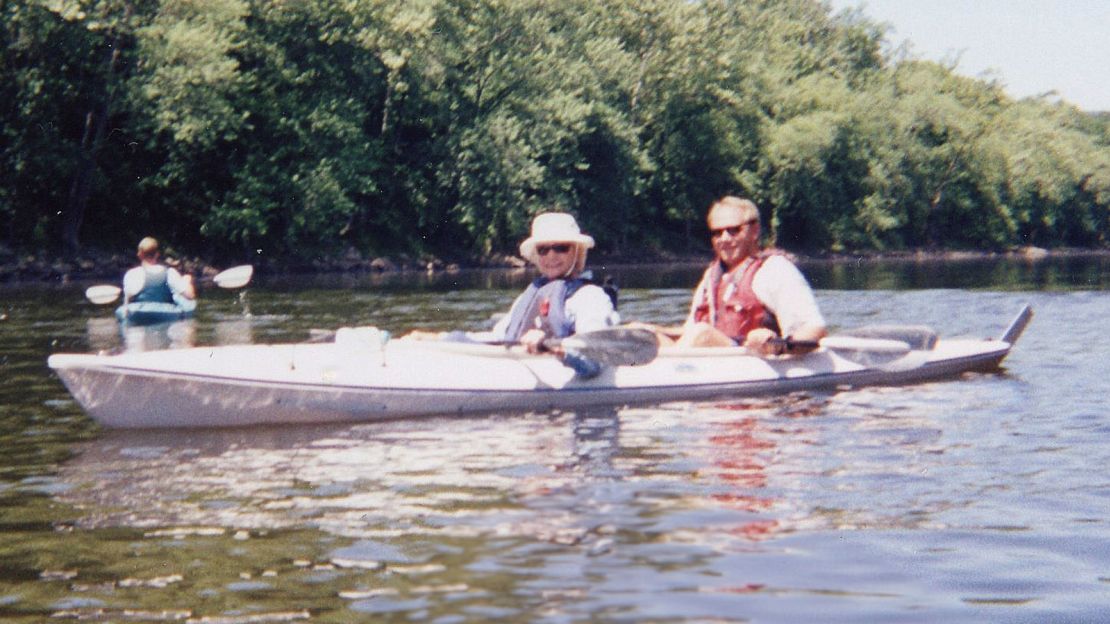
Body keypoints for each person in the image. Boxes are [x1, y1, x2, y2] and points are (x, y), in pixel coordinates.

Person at [409, 212, 619, 355]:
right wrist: (442, 339)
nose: (551, 256)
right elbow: (500, 337)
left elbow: (594, 356)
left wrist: (551, 346)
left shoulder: (590, 297)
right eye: (543, 249)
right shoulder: (534, 293)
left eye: (561, 247)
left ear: (577, 251)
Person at [643, 196, 826, 355]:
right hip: (711, 356)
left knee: (701, 333)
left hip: (753, 358)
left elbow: (814, 329)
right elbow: (690, 330)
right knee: (643, 334)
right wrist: (656, 330)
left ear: (754, 231)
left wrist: (778, 346)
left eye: (733, 230)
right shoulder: (711, 276)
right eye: (717, 233)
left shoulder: (775, 270)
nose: (724, 239)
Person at [122, 237, 196, 305]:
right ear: (157, 254)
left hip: (139, 315)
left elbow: (127, 302)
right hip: (164, 315)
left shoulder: (132, 274)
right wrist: (187, 281)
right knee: (186, 279)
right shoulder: (169, 273)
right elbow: (190, 296)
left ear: (139, 254)